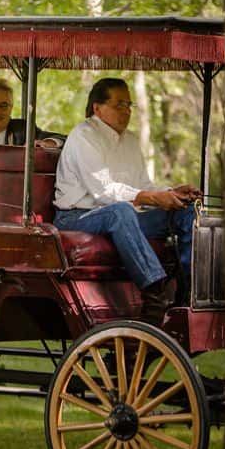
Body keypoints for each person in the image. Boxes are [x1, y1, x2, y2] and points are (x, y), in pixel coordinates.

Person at [53, 78, 199, 324]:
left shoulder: (130, 140)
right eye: (119, 104)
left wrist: (171, 193)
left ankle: (187, 292)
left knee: (185, 211)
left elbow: (144, 186)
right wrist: (152, 197)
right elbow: (104, 192)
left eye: (129, 105)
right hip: (77, 217)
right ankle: (155, 294)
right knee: (120, 211)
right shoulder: (84, 135)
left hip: (123, 218)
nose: (127, 111)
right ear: (97, 108)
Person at [0, 78, 65, 148]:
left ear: (11, 108)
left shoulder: (23, 130)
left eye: (3, 105)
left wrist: (48, 143)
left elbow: (62, 139)